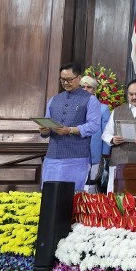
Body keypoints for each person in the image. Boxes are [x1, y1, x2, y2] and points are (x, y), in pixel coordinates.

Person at [38, 62, 101, 191]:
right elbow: (47, 124)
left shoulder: (90, 100)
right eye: (62, 79)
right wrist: (44, 131)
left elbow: (94, 126)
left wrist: (70, 130)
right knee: (49, 195)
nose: (65, 83)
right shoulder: (54, 100)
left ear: (79, 78)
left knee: (71, 195)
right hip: (52, 157)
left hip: (76, 157)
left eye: (69, 79)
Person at [79, 75, 110, 192]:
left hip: (95, 155)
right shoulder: (74, 107)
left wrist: (105, 156)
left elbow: (106, 133)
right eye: (82, 87)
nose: (85, 89)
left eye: (89, 87)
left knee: (92, 187)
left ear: (94, 90)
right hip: (77, 153)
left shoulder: (103, 109)